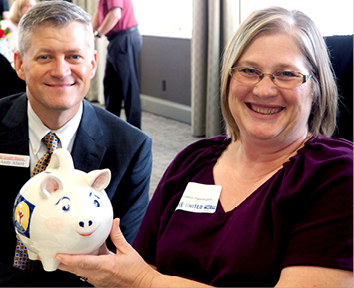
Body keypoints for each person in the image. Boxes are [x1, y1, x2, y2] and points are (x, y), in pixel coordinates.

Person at [54, 6, 353, 287]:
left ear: (315, 88)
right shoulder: (193, 161)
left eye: (287, 74)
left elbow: (144, 277)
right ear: (228, 78)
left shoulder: (336, 176)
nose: (263, 89)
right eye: (249, 70)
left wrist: (145, 282)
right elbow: (143, 265)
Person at [0, 1, 152, 286]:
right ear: (19, 64)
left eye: (74, 57)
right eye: (45, 57)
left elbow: (124, 257)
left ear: (92, 64)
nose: (61, 70)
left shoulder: (129, 148)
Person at [92, 0, 142, 129]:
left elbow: (115, 14)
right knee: (111, 86)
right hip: (116, 40)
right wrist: (89, 31)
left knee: (129, 87)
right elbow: (101, 11)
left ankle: (135, 131)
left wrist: (97, 34)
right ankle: (111, 127)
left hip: (125, 38)